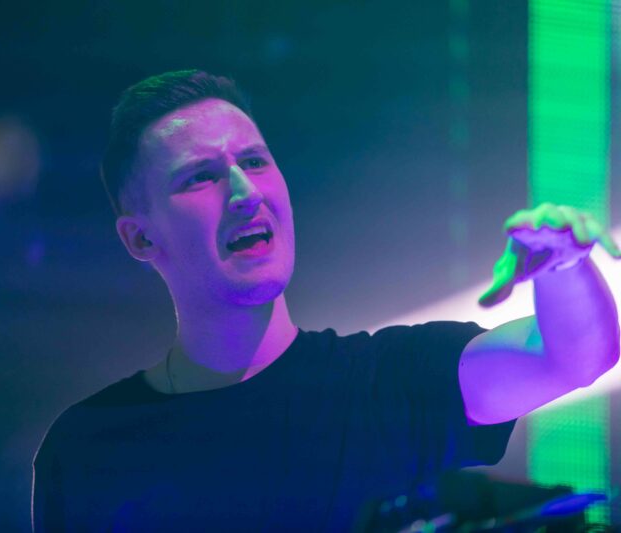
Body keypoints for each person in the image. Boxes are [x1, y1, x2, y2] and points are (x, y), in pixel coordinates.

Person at [31, 69, 620, 531]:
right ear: (140, 238)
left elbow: (571, 358)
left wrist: (564, 267)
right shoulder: (86, 446)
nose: (244, 191)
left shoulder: (389, 382)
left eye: (254, 161)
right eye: (200, 177)